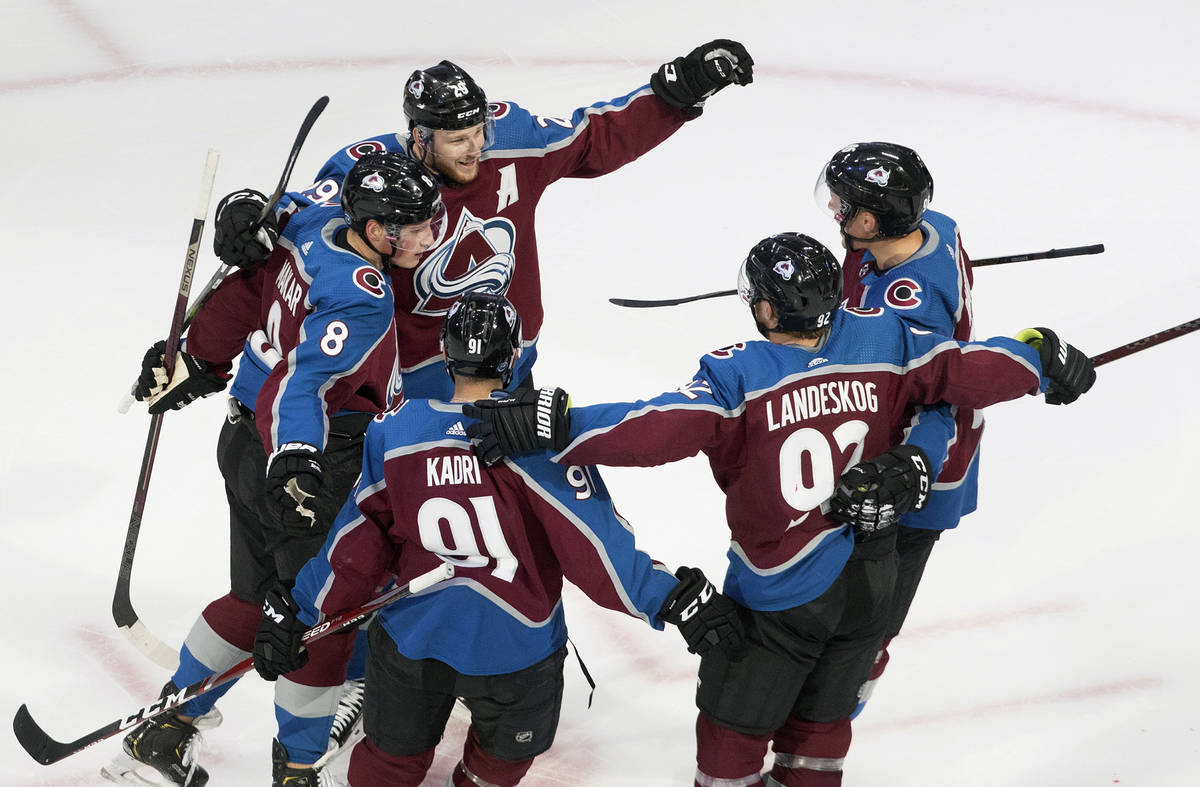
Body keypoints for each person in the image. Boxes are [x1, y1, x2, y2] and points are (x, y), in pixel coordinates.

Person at [461, 233, 1095, 785]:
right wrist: (1037, 359)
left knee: (733, 725)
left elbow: (659, 428)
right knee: (823, 722)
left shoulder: (742, 373)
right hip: (872, 576)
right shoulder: (887, 336)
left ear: (767, 307)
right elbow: (962, 371)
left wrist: (560, 423)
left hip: (781, 588)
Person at [250, 290, 743, 787]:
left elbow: (357, 544)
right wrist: (673, 600)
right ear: (512, 357)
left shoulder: (395, 432)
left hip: (413, 637)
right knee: (498, 766)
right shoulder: (537, 444)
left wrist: (301, 609)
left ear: (445, 353)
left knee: (389, 760)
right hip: (516, 646)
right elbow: (597, 550)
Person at [102, 152, 445, 787]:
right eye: (419, 227)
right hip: (310, 467)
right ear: (376, 231)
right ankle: (298, 771)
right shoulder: (363, 299)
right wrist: (297, 464)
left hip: (243, 441)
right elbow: (304, 389)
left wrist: (242, 211)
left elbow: (262, 227)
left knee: (256, 599)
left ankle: (164, 733)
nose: (433, 237)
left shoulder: (313, 219)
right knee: (319, 621)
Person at [212, 42, 754, 399]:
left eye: (477, 134)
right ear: (419, 136)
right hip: (416, 381)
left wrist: (681, 87)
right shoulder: (373, 172)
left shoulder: (508, 140)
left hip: (509, 362)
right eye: (456, 141)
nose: (474, 150)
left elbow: (595, 139)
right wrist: (250, 214)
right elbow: (308, 224)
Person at [813, 140, 1012, 718]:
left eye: (843, 204)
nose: (833, 210)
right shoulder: (937, 228)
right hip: (903, 446)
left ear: (872, 220)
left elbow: (933, 391)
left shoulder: (908, 305)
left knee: (871, 621)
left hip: (919, 460)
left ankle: (836, 713)